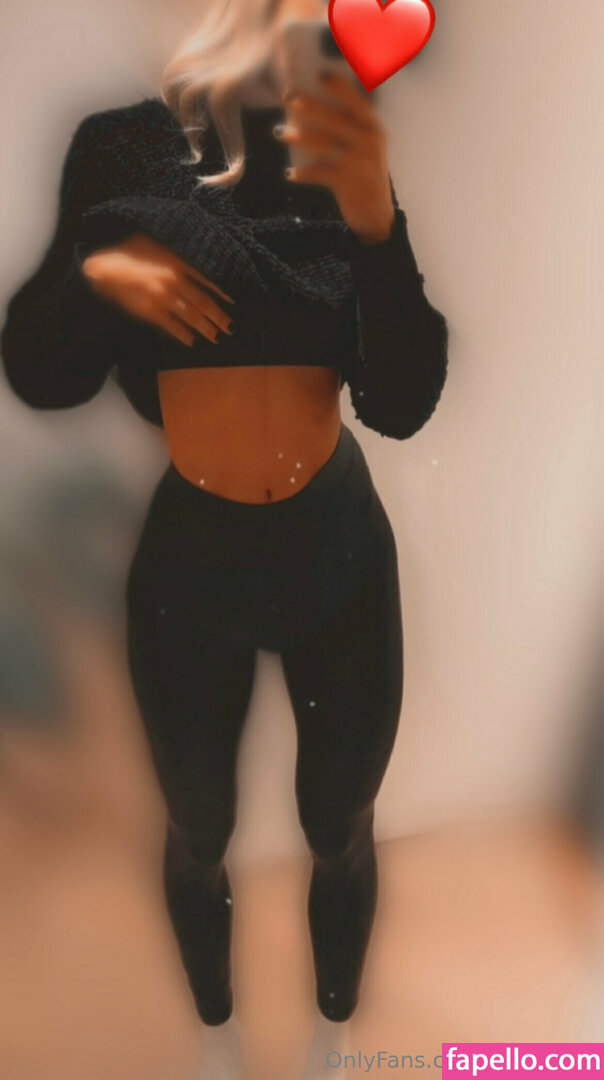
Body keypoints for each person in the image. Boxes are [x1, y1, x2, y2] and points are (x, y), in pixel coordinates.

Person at [0, 0, 449, 1074]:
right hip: (193, 560)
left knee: (339, 822)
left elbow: (400, 400)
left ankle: (334, 1036)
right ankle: (217, 1038)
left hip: (334, 549)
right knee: (197, 827)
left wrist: (379, 228)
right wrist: (97, 279)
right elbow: (39, 372)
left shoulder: (332, 146)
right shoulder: (124, 154)